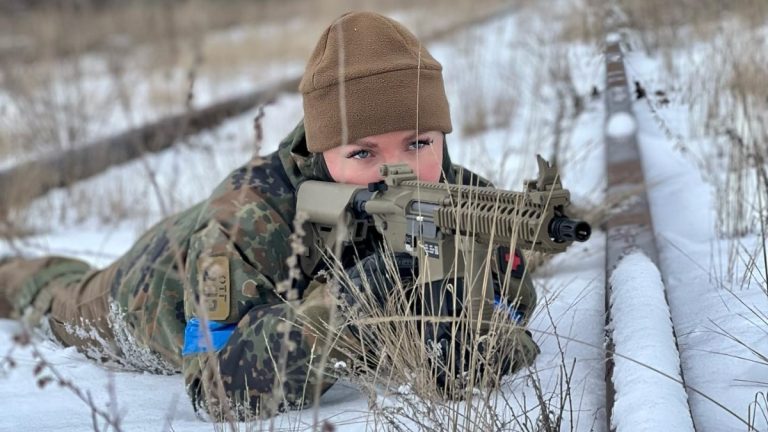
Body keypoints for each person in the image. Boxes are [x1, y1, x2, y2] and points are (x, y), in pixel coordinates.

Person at [0, 11, 538, 420]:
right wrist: (351, 304)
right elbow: (212, 387)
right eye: (363, 153)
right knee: (52, 295)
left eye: (418, 143)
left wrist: (476, 330)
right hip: (148, 292)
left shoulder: (454, 192)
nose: (394, 171)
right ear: (323, 149)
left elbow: (511, 293)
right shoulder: (249, 215)